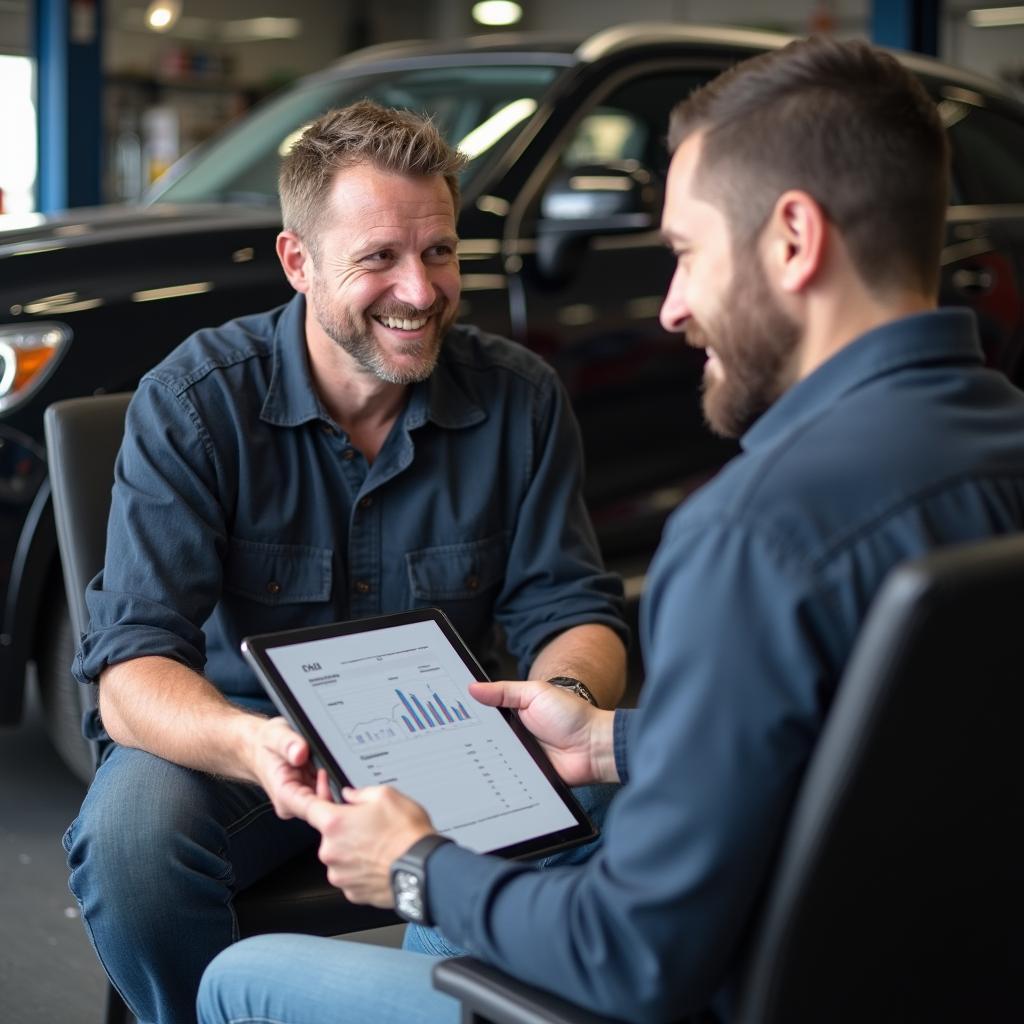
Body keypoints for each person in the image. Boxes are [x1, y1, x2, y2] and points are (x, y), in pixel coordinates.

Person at [197, 36, 1024, 1024]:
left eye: (683, 253)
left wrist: (416, 866)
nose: (670, 308)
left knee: (236, 981)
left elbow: (631, 956)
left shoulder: (754, 537)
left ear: (793, 240)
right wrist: (615, 739)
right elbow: (886, 748)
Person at [62, 101, 628, 1024]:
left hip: (449, 737)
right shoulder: (194, 403)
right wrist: (253, 746)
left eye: (439, 251)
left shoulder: (521, 399)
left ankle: (427, 1000)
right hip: (239, 748)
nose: (420, 289)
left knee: (607, 796)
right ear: (299, 263)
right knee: (130, 841)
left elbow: (572, 606)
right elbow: (131, 675)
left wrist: (564, 694)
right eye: (379, 259)